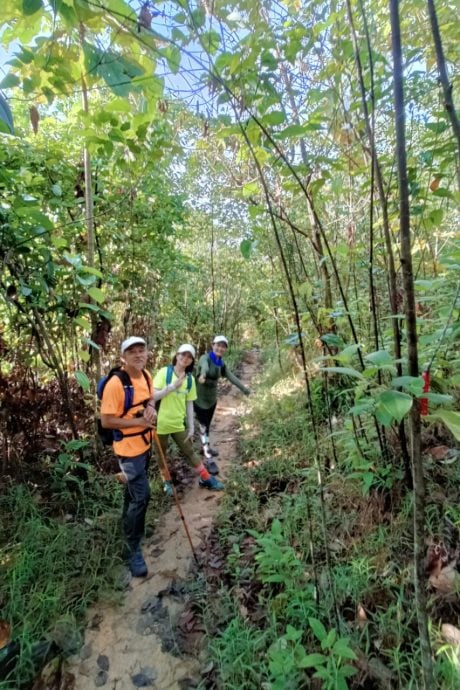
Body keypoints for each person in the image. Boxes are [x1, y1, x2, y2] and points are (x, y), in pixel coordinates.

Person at [100, 336, 156, 578]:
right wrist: (137, 422)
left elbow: (149, 398)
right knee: (143, 495)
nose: (138, 355)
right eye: (131, 351)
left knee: (133, 491)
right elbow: (107, 420)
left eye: (141, 350)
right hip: (127, 451)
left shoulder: (146, 376)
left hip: (146, 444)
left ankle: (127, 522)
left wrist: (151, 408)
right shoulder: (115, 384)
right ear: (123, 357)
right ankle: (131, 546)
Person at [153, 344, 224, 493]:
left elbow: (189, 404)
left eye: (189, 357)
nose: (185, 358)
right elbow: (152, 396)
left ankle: (205, 478)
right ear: (177, 355)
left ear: (192, 361)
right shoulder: (164, 372)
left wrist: (191, 427)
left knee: (190, 451)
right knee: (161, 455)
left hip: (178, 424)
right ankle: (166, 482)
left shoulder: (190, 380)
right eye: (183, 355)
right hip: (160, 424)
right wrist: (172, 386)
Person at [195, 335, 250, 474]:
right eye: (218, 345)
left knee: (206, 426)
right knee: (203, 427)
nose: (220, 348)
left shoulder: (221, 363)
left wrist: (244, 389)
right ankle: (209, 459)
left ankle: (205, 446)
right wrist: (202, 375)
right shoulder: (205, 358)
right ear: (213, 345)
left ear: (225, 349)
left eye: (223, 346)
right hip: (200, 399)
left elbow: (231, 376)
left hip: (212, 399)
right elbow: (204, 367)